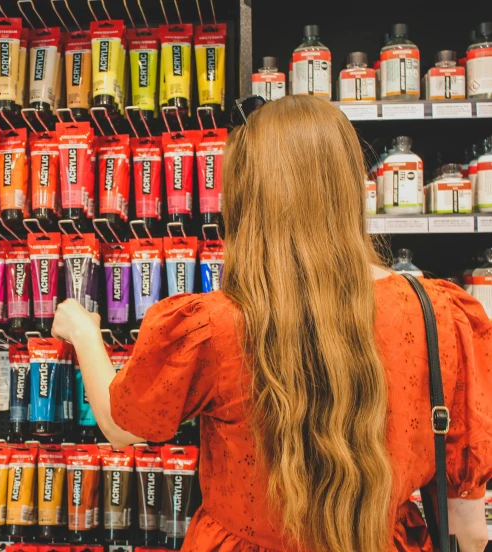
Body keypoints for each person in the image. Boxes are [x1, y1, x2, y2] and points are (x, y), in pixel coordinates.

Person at [51, 95, 492, 552]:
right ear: (350, 186)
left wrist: (83, 331)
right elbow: (468, 525)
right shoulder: (439, 316)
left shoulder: (214, 326)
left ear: (244, 194)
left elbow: (123, 424)